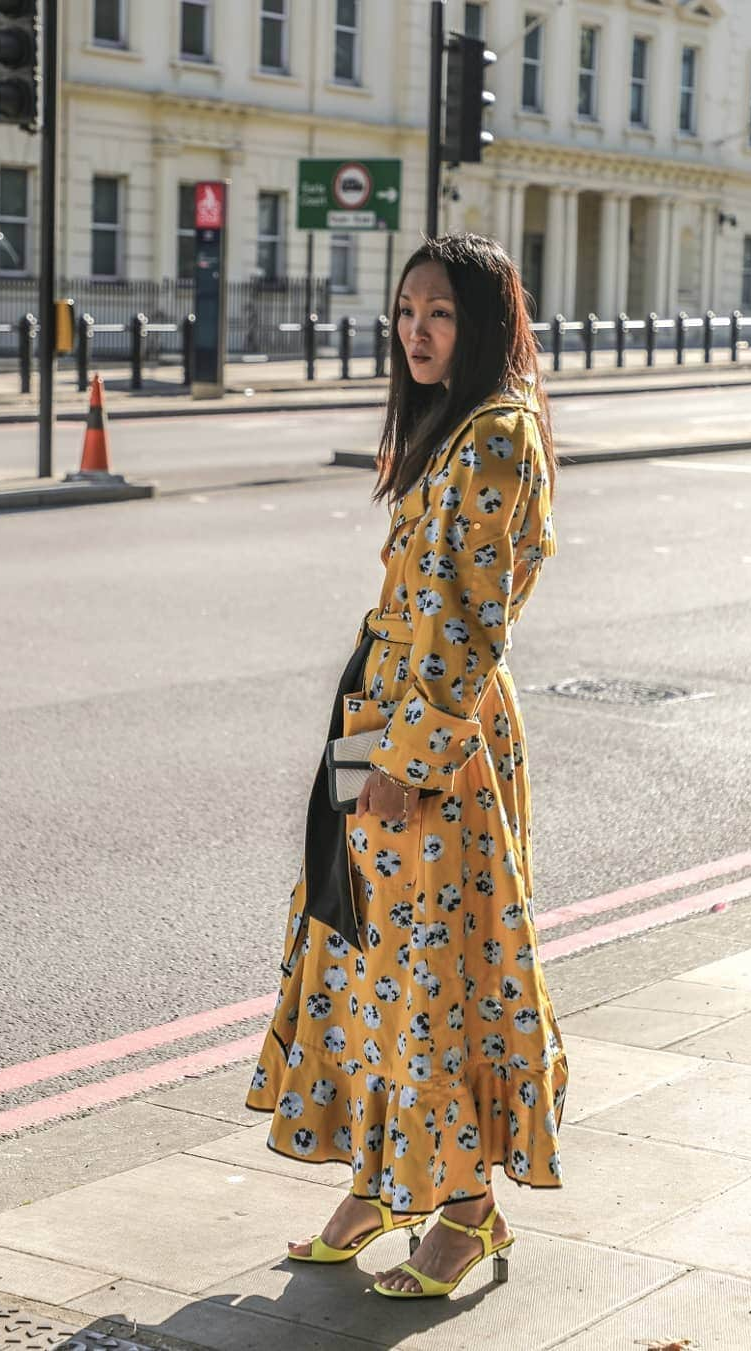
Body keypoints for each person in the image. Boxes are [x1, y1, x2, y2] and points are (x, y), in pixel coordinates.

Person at [245, 232, 568, 1299]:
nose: (418, 332)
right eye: (406, 312)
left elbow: (473, 621)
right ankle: (385, 1176)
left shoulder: (494, 436)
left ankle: (469, 1209)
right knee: (355, 944)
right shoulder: (445, 424)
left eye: (441, 315)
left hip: (431, 736)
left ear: (482, 325)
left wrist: (410, 756)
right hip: (374, 706)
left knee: (439, 972)